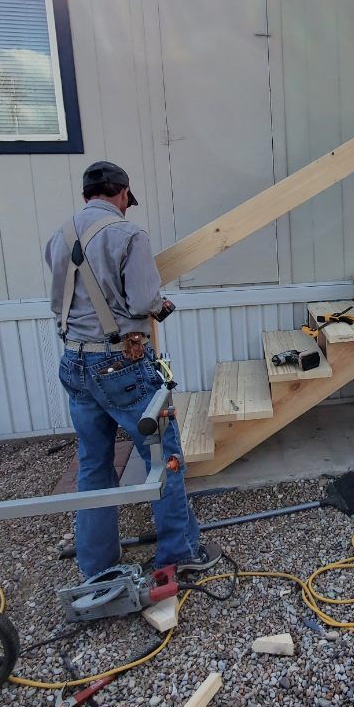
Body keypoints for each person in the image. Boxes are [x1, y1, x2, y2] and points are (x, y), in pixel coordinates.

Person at [45, 161, 220, 579]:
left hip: (74, 361)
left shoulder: (60, 235)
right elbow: (143, 300)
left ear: (87, 195)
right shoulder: (128, 233)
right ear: (122, 193)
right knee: (165, 459)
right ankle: (179, 553)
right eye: (127, 199)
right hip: (119, 363)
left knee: (93, 466)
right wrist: (160, 304)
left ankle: (97, 567)